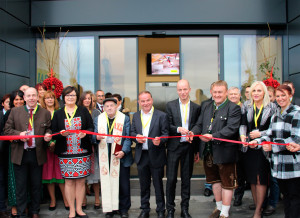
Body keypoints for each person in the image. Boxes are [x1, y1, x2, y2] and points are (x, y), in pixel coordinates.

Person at [190, 80, 241, 218]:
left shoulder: (234, 108)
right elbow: (199, 124)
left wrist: (212, 136)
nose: (217, 95)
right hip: (208, 152)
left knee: (227, 182)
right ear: (211, 92)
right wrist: (193, 132)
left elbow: (231, 129)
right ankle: (218, 208)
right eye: (215, 92)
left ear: (226, 93)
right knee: (214, 181)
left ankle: (225, 212)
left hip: (225, 152)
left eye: (220, 92)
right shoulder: (206, 106)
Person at [249, 84, 300, 218]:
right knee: (287, 200)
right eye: (278, 96)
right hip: (278, 167)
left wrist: (273, 147)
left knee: (295, 199)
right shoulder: (276, 114)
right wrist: (257, 142)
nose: (280, 98)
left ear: (290, 95)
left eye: (283, 95)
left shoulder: (297, 112)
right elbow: (269, 135)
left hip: (293, 166)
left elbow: (295, 138)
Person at [4, 87, 52, 218]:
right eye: (28, 96)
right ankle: (21, 212)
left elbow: (49, 129)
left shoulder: (45, 113)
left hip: (37, 154)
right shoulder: (14, 112)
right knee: (21, 186)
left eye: (33, 95)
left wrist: (48, 135)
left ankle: (35, 211)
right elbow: (7, 130)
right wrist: (19, 134)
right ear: (24, 98)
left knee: (36, 185)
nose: (31, 98)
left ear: (37, 97)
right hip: (20, 154)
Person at [51, 86, 93, 218]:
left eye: (73, 95)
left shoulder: (83, 111)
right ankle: (71, 211)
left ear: (77, 97)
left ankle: (79, 209)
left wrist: (85, 133)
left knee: (81, 181)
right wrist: (60, 134)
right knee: (68, 182)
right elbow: (53, 133)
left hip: (82, 151)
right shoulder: (58, 113)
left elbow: (91, 127)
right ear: (64, 97)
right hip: (66, 152)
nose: (71, 98)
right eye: (68, 95)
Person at [240, 81, 277, 218]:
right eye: (254, 91)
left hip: (262, 149)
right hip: (249, 148)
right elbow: (243, 124)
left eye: (259, 91)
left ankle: (257, 211)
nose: (255, 93)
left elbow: (274, 128)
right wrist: (243, 136)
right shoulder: (246, 106)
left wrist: (260, 135)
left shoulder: (272, 107)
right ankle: (258, 207)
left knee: (260, 179)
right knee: (252, 180)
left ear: (264, 93)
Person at [165, 79, 201, 218]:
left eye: (185, 89)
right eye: (180, 90)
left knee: (186, 179)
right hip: (174, 147)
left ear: (190, 89)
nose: (183, 92)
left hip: (189, 148)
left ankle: (185, 209)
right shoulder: (170, 105)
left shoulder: (196, 108)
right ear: (177, 91)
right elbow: (167, 126)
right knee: (171, 179)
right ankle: (171, 210)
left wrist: (197, 150)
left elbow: (197, 128)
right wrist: (178, 129)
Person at [131, 91, 169, 218]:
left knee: (158, 184)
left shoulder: (162, 115)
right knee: (143, 185)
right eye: (143, 101)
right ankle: (145, 209)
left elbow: (166, 134)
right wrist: (136, 137)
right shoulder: (136, 116)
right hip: (142, 155)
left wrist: (160, 140)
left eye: (147, 100)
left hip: (156, 154)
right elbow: (132, 133)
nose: (145, 103)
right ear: (139, 102)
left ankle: (160, 210)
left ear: (152, 100)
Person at [94, 98, 133, 218]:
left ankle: (123, 209)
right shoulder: (98, 119)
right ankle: (109, 209)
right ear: (104, 108)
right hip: (105, 155)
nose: (109, 108)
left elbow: (127, 138)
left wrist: (124, 151)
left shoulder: (124, 118)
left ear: (117, 106)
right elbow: (93, 136)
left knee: (123, 185)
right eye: (107, 106)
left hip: (120, 155)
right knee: (107, 183)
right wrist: (96, 138)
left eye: (112, 105)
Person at [40, 90, 69, 211]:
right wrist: (49, 143)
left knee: (60, 175)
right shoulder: (41, 113)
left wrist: (54, 143)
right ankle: (52, 200)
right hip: (46, 149)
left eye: (52, 98)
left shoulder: (59, 112)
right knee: (49, 175)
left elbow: (62, 130)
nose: (50, 100)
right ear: (44, 100)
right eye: (47, 98)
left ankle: (66, 199)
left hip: (59, 147)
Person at [2, 90, 25, 217]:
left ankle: (25, 205)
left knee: (25, 180)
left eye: (21, 99)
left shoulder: (29, 111)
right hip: (14, 149)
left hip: (27, 149)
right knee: (14, 180)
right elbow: (6, 131)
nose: (19, 101)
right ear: (12, 101)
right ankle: (15, 205)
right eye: (16, 100)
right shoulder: (9, 113)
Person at [78, 91, 101, 210]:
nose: (87, 101)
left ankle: (97, 199)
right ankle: (83, 199)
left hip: (95, 147)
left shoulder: (96, 112)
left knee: (95, 175)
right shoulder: (78, 111)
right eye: (85, 98)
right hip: (82, 146)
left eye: (89, 99)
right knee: (83, 177)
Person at [0, 94, 11, 217]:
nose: (9, 104)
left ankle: (4, 207)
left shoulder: (13, 114)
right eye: (7, 102)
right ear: (2, 103)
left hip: (8, 152)